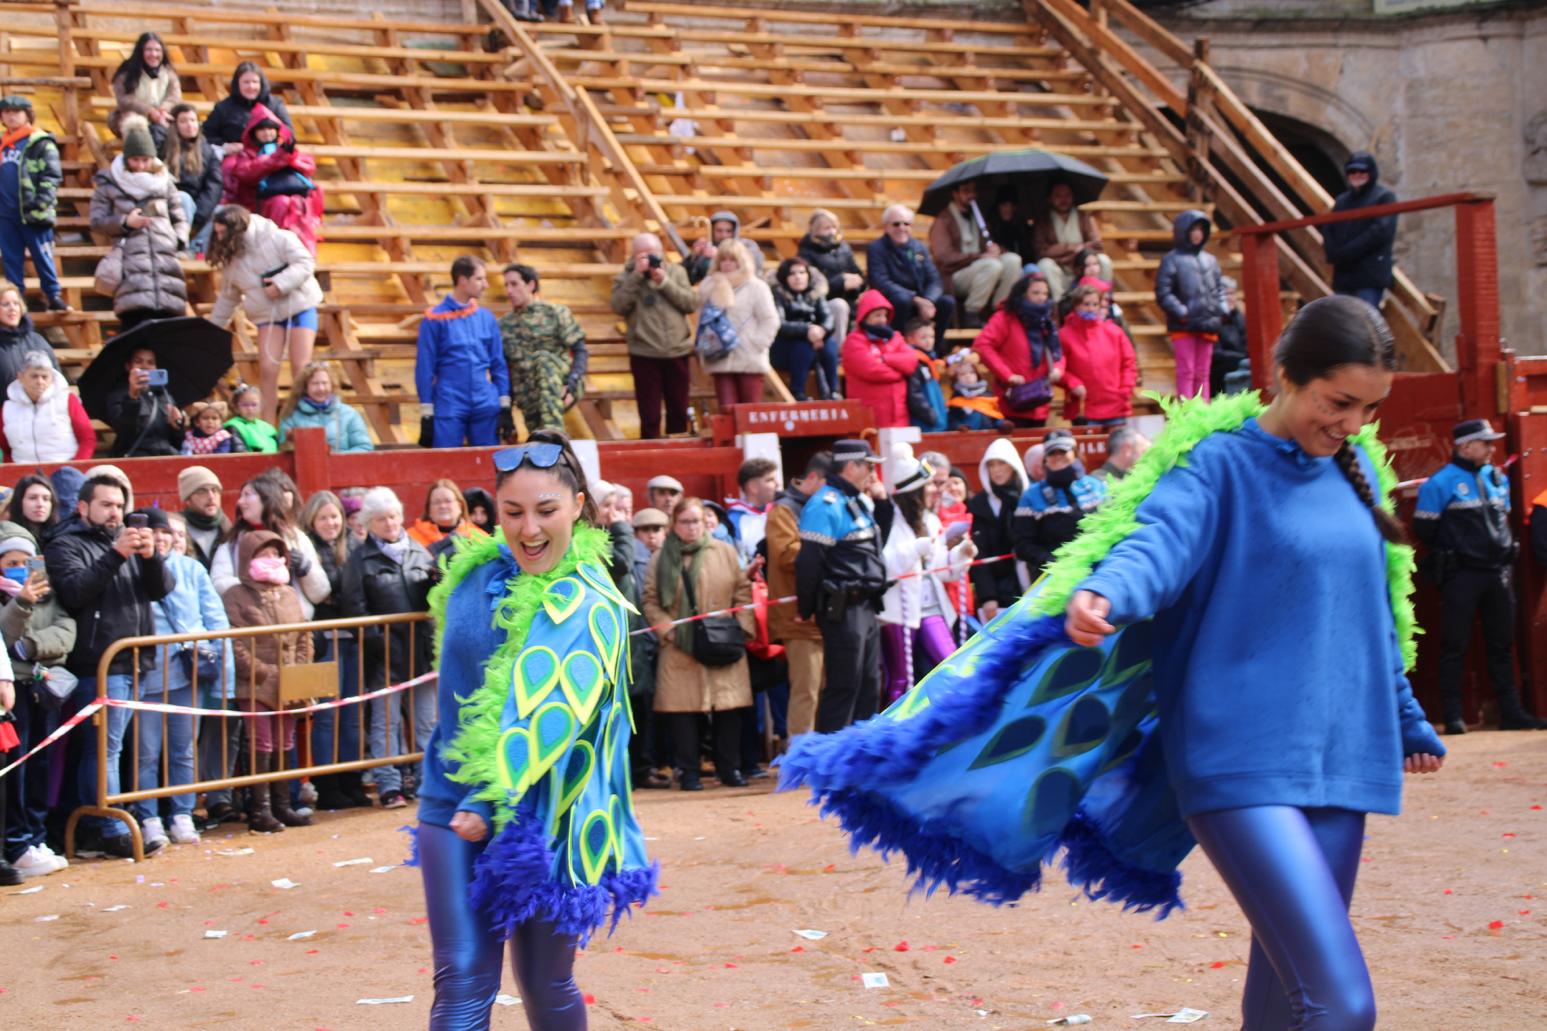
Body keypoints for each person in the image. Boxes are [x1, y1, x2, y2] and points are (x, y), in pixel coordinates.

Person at [782, 295, 1448, 1031]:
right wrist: (1106, 589)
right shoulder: (1216, 464)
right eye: (1338, 401)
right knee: (1341, 1004)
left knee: (1288, 993)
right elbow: (1154, 545)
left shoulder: (1355, 470)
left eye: (1367, 408)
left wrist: (1405, 716)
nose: (1351, 424)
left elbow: (1371, 615)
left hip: (1345, 757)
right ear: (1285, 374)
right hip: (1239, 756)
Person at [415, 432, 653, 1026]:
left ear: (577, 506)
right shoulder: (472, 577)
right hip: (452, 800)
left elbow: (556, 709)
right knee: (463, 977)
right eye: (512, 512)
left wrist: (494, 792)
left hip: (553, 813)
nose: (529, 530)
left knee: (545, 982)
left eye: (546, 510)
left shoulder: (591, 599)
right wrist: (469, 791)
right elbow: (457, 695)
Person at [46, 473, 174, 858]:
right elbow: (75, 590)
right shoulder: (64, 543)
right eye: (106, 504)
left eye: (119, 505)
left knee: (119, 748)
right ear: (83, 507)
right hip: (99, 662)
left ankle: (111, 818)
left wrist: (150, 557)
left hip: (136, 660)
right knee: (105, 749)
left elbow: (162, 589)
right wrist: (117, 553)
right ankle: (108, 824)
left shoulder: (132, 543)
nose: (115, 512)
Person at [1414, 419, 1547, 733]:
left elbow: (1504, 518)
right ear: (1464, 446)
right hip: (1462, 574)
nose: (1491, 449)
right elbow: (1425, 529)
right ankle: (1453, 715)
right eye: (1485, 443)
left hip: (1497, 572)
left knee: (1502, 644)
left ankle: (1511, 714)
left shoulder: (1495, 477)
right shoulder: (1440, 483)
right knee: (1454, 645)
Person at [132, 509, 228, 848]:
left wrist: (215, 655)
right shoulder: (133, 567)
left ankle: (182, 812)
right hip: (146, 674)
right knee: (145, 751)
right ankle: (149, 816)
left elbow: (215, 617)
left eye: (169, 531)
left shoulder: (192, 569)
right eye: (156, 531)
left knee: (184, 747)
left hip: (187, 671)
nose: (162, 537)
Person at [645, 496, 754, 789]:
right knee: (683, 715)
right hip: (680, 645)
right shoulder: (661, 557)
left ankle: (729, 769)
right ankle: (689, 772)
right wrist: (669, 632)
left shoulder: (725, 552)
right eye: (685, 522)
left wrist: (742, 628)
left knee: (729, 710)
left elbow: (742, 592)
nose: (691, 528)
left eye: (696, 521)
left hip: (723, 641)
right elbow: (651, 600)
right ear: (674, 524)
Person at [340, 487, 436, 810]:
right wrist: (378, 643)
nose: (391, 523)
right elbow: (355, 607)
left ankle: (427, 780)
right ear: (369, 524)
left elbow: (435, 599)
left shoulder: (420, 553)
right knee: (386, 722)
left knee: (426, 721)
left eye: (394, 516)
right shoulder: (359, 560)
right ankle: (389, 783)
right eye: (382, 519)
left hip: (421, 650)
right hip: (384, 654)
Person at [222, 529, 314, 833]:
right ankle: (259, 809)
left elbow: (304, 634)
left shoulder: (289, 593)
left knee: (285, 741)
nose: (272, 559)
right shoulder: (236, 596)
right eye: (264, 554)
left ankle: (282, 804)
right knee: (261, 741)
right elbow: (235, 642)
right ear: (249, 558)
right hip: (257, 683)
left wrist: (300, 668)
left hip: (289, 680)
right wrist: (262, 672)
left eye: (276, 553)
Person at [796, 438, 887, 733]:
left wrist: (883, 503)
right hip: (843, 608)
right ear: (852, 466)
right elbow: (809, 562)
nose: (873, 475)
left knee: (869, 684)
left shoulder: (856, 500)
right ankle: (829, 765)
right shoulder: (826, 505)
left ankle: (860, 760)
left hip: (865, 605)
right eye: (869, 467)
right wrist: (806, 607)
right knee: (844, 686)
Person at [0, 521, 74, 878]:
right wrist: (20, 603)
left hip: (42, 687)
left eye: (24, 559)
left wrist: (30, 647)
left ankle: (36, 836)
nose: (18, 566)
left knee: (42, 765)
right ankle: (17, 842)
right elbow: (3, 635)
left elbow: (66, 629)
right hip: (11, 692)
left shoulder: (49, 590)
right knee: (17, 769)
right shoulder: (15, 595)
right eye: (10, 560)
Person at [207, 204, 324, 423]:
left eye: (223, 233)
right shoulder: (232, 260)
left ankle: (302, 423)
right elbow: (228, 298)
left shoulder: (278, 237)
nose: (219, 238)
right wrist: (212, 329)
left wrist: (281, 284)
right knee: (268, 369)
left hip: (299, 305)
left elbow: (305, 262)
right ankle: (269, 427)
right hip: (266, 314)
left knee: (301, 368)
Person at [879, 448, 974, 705]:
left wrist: (961, 555)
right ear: (914, 492)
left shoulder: (930, 520)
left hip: (931, 606)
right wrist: (915, 549)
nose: (935, 490)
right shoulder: (890, 521)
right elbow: (885, 566)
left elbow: (941, 568)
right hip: (899, 611)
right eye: (928, 485)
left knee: (951, 664)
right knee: (900, 679)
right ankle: (891, 734)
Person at [300, 489, 368, 810]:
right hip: (323, 639)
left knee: (353, 713)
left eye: (335, 516)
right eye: (324, 516)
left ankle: (352, 780)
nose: (330, 522)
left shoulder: (354, 545)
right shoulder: (307, 548)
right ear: (312, 520)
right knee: (326, 715)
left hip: (352, 637)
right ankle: (327, 783)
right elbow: (321, 592)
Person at [92, 115, 190, 325]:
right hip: (130, 262)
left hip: (166, 261)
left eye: (145, 160)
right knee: (135, 325)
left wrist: (178, 239)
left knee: (168, 327)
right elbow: (97, 221)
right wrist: (126, 222)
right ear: (126, 159)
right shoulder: (109, 182)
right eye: (135, 160)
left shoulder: (165, 182)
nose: (140, 165)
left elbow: (179, 216)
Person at [415, 256, 513, 448]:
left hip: (485, 402)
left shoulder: (486, 317)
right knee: (446, 463)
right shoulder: (434, 319)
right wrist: (426, 411)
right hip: (449, 402)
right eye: (479, 279)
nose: (485, 285)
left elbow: (498, 364)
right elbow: (425, 368)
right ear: (462, 280)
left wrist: (504, 404)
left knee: (488, 463)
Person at [766, 452, 829, 739]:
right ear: (813, 478)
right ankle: (799, 759)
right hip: (798, 616)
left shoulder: (821, 506)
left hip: (825, 612)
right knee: (807, 690)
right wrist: (827, 546)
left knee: (827, 688)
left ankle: (821, 755)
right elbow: (785, 555)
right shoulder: (784, 510)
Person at [612, 232, 698, 438]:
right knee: (649, 413)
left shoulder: (677, 272)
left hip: (676, 350)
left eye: (652, 253)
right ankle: (649, 451)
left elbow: (690, 303)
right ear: (633, 256)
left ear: (661, 253)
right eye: (642, 254)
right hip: (645, 352)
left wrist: (665, 282)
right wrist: (636, 277)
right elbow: (618, 305)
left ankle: (679, 452)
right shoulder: (625, 277)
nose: (649, 258)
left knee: (678, 409)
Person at [209, 476, 331, 619]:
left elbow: (321, 593)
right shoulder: (232, 542)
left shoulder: (295, 538)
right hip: (252, 625)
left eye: (247, 495)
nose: (240, 502)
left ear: (267, 498)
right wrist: (254, 580)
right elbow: (217, 584)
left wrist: (306, 569)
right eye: (241, 496)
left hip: (295, 625)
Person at [220, 104, 322, 255]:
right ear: (254, 132)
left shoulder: (286, 150)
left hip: (293, 198)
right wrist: (274, 160)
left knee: (296, 203)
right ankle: (276, 252)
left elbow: (308, 167)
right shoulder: (246, 154)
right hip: (259, 202)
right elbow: (246, 173)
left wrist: (289, 157)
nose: (267, 133)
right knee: (280, 203)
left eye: (270, 129)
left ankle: (301, 254)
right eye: (262, 129)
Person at [498, 262, 587, 436]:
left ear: (531, 285)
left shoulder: (555, 312)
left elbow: (580, 350)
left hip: (560, 386)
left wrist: (573, 381)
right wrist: (506, 411)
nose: (509, 291)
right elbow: (504, 369)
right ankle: (547, 440)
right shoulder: (504, 325)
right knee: (537, 439)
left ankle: (554, 434)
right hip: (526, 393)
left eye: (514, 284)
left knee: (543, 359)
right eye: (506, 285)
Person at [973, 272, 1066, 428]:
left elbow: (1058, 352)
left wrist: (1058, 369)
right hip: (1011, 401)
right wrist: (1007, 375)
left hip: (1040, 401)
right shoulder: (1004, 318)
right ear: (1022, 294)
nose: (1042, 297)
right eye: (1036, 293)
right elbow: (982, 345)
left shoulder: (1047, 321)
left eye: (1045, 293)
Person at [0, 96, 66, 312]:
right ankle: (17, 301)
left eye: (16, 112)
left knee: (43, 256)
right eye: (7, 112)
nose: (11, 116)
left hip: (33, 212)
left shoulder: (40, 141)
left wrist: (42, 203)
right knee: (11, 260)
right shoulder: (2, 144)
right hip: (6, 214)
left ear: (27, 115)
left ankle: (53, 296)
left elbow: (52, 175)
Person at [928, 179, 1022, 329]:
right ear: (955, 194)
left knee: (1013, 260)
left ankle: (999, 310)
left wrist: (997, 250)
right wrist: (979, 256)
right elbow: (943, 257)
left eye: (973, 191)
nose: (971, 195)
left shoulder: (978, 217)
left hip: (981, 269)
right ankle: (971, 313)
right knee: (992, 265)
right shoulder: (942, 221)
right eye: (966, 191)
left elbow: (987, 246)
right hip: (954, 275)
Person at [1155, 209, 1228, 400]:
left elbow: (1220, 288)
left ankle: (1202, 410)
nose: (1197, 234)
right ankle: (1187, 411)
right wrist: (1181, 311)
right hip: (1184, 324)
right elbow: (1164, 291)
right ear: (1183, 231)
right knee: (1186, 370)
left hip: (1208, 323)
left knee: (1203, 372)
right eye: (1193, 229)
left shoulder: (1211, 260)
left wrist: (1221, 309)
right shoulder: (1172, 259)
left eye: (1200, 230)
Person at [1012, 432, 1107, 578]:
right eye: (1051, 453)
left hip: (1100, 570)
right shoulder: (1031, 496)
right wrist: (1052, 562)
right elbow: (1023, 545)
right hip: (1056, 578)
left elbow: (1111, 526)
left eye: (1063, 451)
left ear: (1075, 453)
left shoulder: (1097, 486)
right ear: (1045, 459)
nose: (1057, 456)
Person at [696, 239, 777, 410]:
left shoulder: (756, 286)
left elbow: (770, 320)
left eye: (732, 260)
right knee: (727, 411)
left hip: (749, 356)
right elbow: (702, 319)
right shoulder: (708, 285)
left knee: (750, 412)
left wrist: (757, 343)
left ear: (742, 261)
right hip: (719, 356)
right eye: (723, 260)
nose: (727, 264)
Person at [867, 204, 955, 340]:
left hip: (920, 300)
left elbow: (934, 280)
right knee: (902, 300)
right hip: (896, 301)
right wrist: (915, 299)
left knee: (947, 302)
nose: (902, 228)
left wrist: (928, 300)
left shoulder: (919, 247)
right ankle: (898, 344)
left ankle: (935, 350)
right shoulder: (876, 248)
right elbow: (880, 281)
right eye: (896, 224)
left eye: (906, 224)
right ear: (886, 227)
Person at [1323, 152, 1398, 310]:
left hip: (1368, 275)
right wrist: (1332, 251)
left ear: (1371, 173)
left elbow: (1379, 232)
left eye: (1362, 172)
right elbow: (1329, 227)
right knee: (1341, 322)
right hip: (1345, 275)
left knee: (1366, 323)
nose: (1357, 175)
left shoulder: (1384, 197)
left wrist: (1346, 252)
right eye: (1353, 172)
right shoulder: (1342, 201)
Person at [967, 436, 1029, 622]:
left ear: (1013, 465)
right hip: (998, 591)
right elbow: (980, 553)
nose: (996, 470)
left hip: (1031, 583)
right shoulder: (978, 504)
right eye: (991, 465)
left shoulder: (1028, 498)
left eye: (1001, 463)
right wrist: (988, 596)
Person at [1061, 282, 1139, 426]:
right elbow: (1059, 368)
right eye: (1086, 304)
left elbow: (1129, 363)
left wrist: (1125, 390)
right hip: (1084, 406)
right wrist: (1073, 383)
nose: (1091, 308)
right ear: (1076, 305)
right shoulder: (1064, 335)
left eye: (1095, 304)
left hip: (1116, 404)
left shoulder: (1114, 332)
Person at [841, 290, 920, 430]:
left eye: (884, 315)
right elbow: (872, 370)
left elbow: (911, 361)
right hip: (869, 415)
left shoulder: (895, 337)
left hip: (899, 414)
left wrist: (885, 358)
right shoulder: (854, 341)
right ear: (865, 317)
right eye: (877, 315)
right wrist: (900, 373)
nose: (882, 319)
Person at [1, 350, 94, 463]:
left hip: (64, 472)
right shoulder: (7, 409)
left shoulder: (68, 400)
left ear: (52, 378)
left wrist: (75, 468)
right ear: (20, 377)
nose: (40, 381)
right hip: (23, 474)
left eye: (45, 377)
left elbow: (87, 439)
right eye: (34, 376)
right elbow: (6, 449)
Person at [770, 256, 838, 402]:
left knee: (830, 343)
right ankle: (798, 392)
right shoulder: (776, 295)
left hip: (815, 342)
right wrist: (807, 330)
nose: (798, 277)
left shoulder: (815, 294)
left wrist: (821, 331)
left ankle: (834, 391)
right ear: (784, 277)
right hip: (784, 348)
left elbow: (828, 319)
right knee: (803, 345)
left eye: (802, 272)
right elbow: (779, 324)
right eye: (792, 273)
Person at [1032, 178, 1111, 297]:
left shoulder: (1084, 217)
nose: (1063, 200)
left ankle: (1104, 301)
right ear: (1050, 198)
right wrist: (1073, 248)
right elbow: (1041, 251)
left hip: (1083, 267)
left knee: (1104, 260)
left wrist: (1076, 253)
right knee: (1045, 264)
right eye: (1058, 196)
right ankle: (1058, 306)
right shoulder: (1043, 221)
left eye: (1067, 195)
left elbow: (1096, 245)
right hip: (1059, 269)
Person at [163, 103, 222, 257]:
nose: (189, 125)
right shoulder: (163, 145)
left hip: (197, 204)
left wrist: (202, 212)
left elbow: (214, 185)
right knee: (184, 199)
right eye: (183, 121)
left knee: (220, 212)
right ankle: (181, 246)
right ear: (174, 125)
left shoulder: (207, 151)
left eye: (193, 120)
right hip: (171, 200)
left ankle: (197, 250)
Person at [797, 208, 864, 343]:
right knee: (840, 306)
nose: (831, 232)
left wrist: (858, 282)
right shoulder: (806, 252)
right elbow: (810, 286)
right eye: (826, 228)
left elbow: (857, 271)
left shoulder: (843, 247)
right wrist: (840, 282)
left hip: (850, 297)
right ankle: (840, 350)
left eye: (834, 227)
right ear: (815, 230)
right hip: (825, 302)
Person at [278, 360, 374, 453]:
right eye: (315, 384)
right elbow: (284, 451)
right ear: (304, 387)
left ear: (332, 385)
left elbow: (364, 448)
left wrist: (334, 459)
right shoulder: (291, 415)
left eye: (325, 383)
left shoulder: (349, 414)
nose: (321, 388)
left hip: (344, 468)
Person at [105, 345, 184, 457]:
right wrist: (132, 398)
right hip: (137, 457)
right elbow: (125, 434)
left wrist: (177, 427)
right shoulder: (117, 395)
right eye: (138, 361)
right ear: (128, 366)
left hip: (167, 455)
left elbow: (177, 442)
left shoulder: (165, 395)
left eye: (151, 362)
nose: (145, 366)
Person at [106, 32, 181, 148]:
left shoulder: (169, 73)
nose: (153, 54)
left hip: (162, 115)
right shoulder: (126, 72)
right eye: (149, 50)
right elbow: (124, 100)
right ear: (141, 51)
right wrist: (150, 111)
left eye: (157, 50)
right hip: (132, 115)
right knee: (133, 122)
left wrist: (163, 110)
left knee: (185, 120)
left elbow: (174, 97)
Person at [203, 61, 294, 153]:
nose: (251, 86)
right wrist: (225, 145)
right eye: (246, 82)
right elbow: (206, 134)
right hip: (236, 158)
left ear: (261, 83)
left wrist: (274, 145)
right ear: (237, 84)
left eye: (255, 82)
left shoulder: (274, 104)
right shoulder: (223, 108)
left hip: (270, 158)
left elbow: (289, 133)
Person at [407, 478, 488, 565]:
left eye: (448, 501)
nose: (442, 506)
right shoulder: (410, 538)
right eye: (436, 502)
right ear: (429, 509)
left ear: (460, 505)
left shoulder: (478, 536)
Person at [0, 279, 60, 387]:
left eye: (16, 303)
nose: (12, 308)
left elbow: (56, 380)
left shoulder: (37, 341)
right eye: (5, 304)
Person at [685, 209, 766, 284]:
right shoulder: (707, 248)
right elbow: (690, 279)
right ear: (712, 231)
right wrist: (694, 256)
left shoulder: (747, 245)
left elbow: (756, 265)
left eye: (728, 231)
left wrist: (719, 255)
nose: (724, 235)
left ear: (735, 231)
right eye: (719, 231)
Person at [725, 457, 779, 564]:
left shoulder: (782, 510)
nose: (777, 484)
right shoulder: (733, 520)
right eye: (770, 480)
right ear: (753, 487)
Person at [176, 465, 228, 572]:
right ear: (187, 499)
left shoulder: (229, 530)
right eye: (202, 491)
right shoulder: (177, 531)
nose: (211, 496)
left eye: (215, 490)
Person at [903, 318, 949, 433]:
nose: (929, 341)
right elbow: (914, 395)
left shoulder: (928, 362)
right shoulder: (914, 362)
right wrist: (931, 416)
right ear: (910, 339)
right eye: (923, 337)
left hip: (935, 422)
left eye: (931, 337)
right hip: (925, 424)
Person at [1211, 276, 1250, 398]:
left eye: (1232, 293)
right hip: (1219, 367)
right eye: (1225, 294)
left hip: (1239, 361)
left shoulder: (1238, 316)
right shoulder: (1213, 318)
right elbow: (1216, 353)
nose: (1230, 298)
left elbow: (1247, 342)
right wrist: (1241, 358)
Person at [985, 187, 1036, 270]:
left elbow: (1029, 252)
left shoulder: (1021, 224)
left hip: (1024, 265)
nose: (1008, 209)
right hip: (1001, 265)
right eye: (1004, 205)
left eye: (1012, 205)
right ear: (998, 206)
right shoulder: (991, 225)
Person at [224, 383, 279, 453]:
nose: (250, 409)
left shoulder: (268, 428)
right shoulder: (232, 426)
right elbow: (239, 453)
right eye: (245, 405)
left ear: (260, 406)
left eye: (254, 405)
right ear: (236, 407)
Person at [4, 474, 57, 547]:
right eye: (32, 498)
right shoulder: (7, 537)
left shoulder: (62, 535)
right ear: (19, 502)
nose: (40, 504)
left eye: (46, 499)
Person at [180, 400, 245, 455]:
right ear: (197, 422)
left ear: (221, 422)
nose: (210, 422)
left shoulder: (222, 437)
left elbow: (220, 456)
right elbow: (185, 453)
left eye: (214, 418)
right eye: (205, 418)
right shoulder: (189, 436)